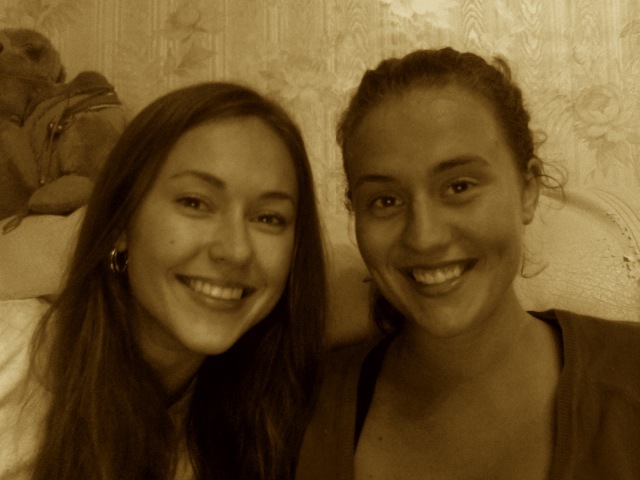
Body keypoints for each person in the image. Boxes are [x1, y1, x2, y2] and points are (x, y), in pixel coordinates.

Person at [296, 47, 640, 480]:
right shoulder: (299, 414)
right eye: (385, 200)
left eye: (459, 187)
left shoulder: (630, 372)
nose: (425, 236)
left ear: (529, 189)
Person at [0, 81, 327, 480]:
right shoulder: (10, 353)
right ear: (121, 224)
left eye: (269, 218)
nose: (236, 250)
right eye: (195, 203)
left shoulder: (263, 419)